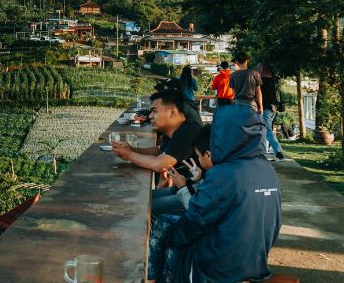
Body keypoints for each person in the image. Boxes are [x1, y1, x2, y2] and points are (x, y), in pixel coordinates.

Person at [169, 103, 281, 282]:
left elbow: (194, 220)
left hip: (218, 269)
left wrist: (174, 237)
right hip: (256, 264)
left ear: (223, 136)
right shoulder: (267, 169)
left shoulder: (223, 174)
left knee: (169, 236)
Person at [112, 88, 201, 215]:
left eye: (154, 111)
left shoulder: (189, 132)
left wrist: (129, 155)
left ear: (172, 112)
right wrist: (130, 149)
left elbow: (160, 164)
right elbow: (159, 152)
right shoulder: (179, 129)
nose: (150, 116)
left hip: (196, 197)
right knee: (142, 198)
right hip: (185, 187)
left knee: (143, 206)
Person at [148, 125, 213, 283]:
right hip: (199, 212)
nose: (198, 159)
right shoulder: (220, 170)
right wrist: (197, 179)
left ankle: (152, 275)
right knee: (151, 198)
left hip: (204, 224)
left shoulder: (219, 175)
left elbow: (196, 209)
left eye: (199, 156)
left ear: (209, 154)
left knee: (162, 219)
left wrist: (183, 186)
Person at [257, 63, 285, 160]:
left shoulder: (261, 82)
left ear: (261, 70)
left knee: (267, 130)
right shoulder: (274, 81)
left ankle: (278, 152)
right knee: (264, 130)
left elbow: (261, 96)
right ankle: (262, 151)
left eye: (258, 69)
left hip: (266, 108)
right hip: (273, 108)